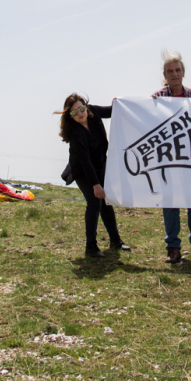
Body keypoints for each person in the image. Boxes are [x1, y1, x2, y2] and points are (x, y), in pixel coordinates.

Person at [152, 49, 191, 263]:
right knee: (171, 203)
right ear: (165, 75)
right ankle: (173, 247)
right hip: (168, 160)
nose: (174, 74)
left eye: (177, 70)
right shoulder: (158, 98)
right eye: (170, 71)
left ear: (183, 72)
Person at [58, 93, 130, 258]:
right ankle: (91, 247)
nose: (80, 114)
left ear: (86, 106)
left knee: (106, 201)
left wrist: (118, 103)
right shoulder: (76, 134)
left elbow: (114, 111)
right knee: (94, 201)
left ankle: (116, 241)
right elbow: (85, 162)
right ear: (70, 115)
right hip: (82, 170)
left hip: (99, 164)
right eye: (75, 112)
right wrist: (96, 185)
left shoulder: (94, 113)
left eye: (81, 108)